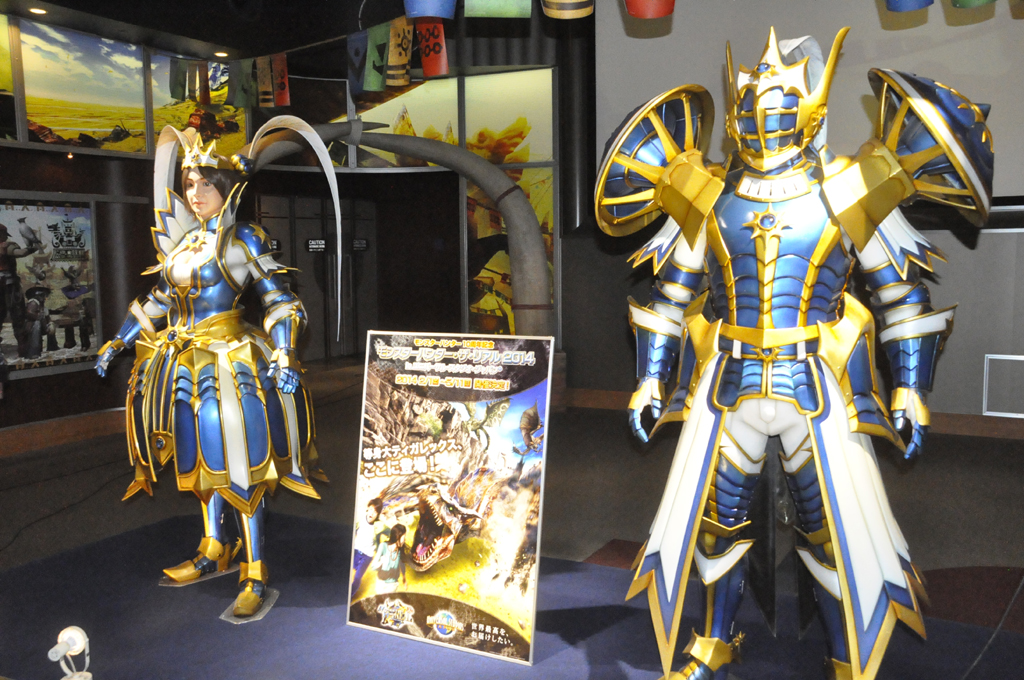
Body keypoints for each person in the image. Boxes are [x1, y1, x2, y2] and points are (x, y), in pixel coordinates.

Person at [594, 28, 993, 680]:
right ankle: (716, 641)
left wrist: (910, 389)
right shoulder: (705, 192)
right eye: (753, 104)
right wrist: (651, 380)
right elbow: (669, 298)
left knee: (831, 532)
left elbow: (901, 296)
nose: (764, 116)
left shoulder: (851, 185)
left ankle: (847, 657)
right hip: (729, 383)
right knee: (715, 525)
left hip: (815, 384)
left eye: (779, 104)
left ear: (809, 110)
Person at [95, 117, 343, 617]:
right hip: (183, 364)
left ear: (227, 188)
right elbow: (159, 299)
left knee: (241, 462)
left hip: (231, 364)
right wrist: (118, 341)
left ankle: (255, 567)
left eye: (206, 184)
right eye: (189, 184)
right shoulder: (185, 243)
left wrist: (284, 351)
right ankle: (214, 548)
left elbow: (280, 300)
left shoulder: (243, 238)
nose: (195, 193)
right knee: (197, 460)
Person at [0, 223, 39, 358]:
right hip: (10, 286)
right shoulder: (6, 246)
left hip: (8, 285)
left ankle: (23, 348)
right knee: (18, 316)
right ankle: (23, 348)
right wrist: (34, 247)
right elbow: (21, 253)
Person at [351, 497, 389, 599]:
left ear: (378, 514)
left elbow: (391, 533)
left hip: (367, 555)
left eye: (375, 512)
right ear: (367, 509)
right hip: (356, 550)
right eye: (371, 509)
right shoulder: (360, 519)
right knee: (350, 569)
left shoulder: (379, 526)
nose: (372, 513)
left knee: (357, 578)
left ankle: (349, 597)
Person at [371, 522, 407, 594]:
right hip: (380, 583)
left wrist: (404, 578)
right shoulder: (383, 546)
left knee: (387, 599)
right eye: (404, 537)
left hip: (392, 585)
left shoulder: (400, 551)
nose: (405, 539)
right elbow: (373, 567)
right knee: (380, 600)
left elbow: (402, 564)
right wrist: (381, 562)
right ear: (398, 537)